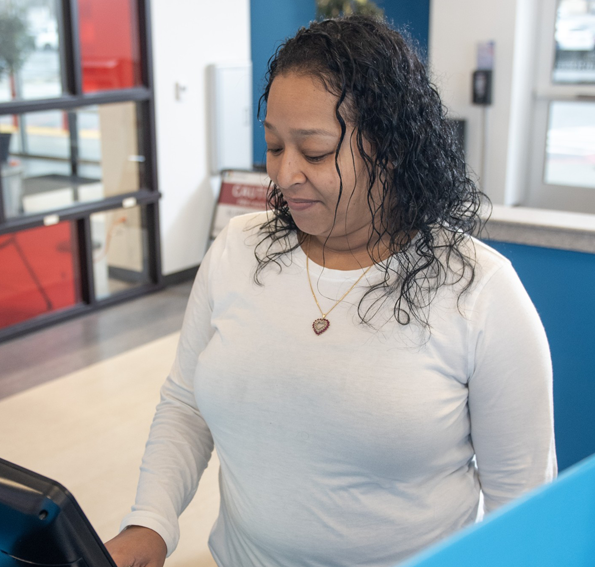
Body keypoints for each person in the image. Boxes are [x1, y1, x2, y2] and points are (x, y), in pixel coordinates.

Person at [105, 15, 556, 567]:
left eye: (314, 152)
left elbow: (524, 501)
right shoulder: (237, 249)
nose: (285, 174)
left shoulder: (479, 291)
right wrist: (150, 524)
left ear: (389, 148)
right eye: (273, 147)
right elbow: (185, 405)